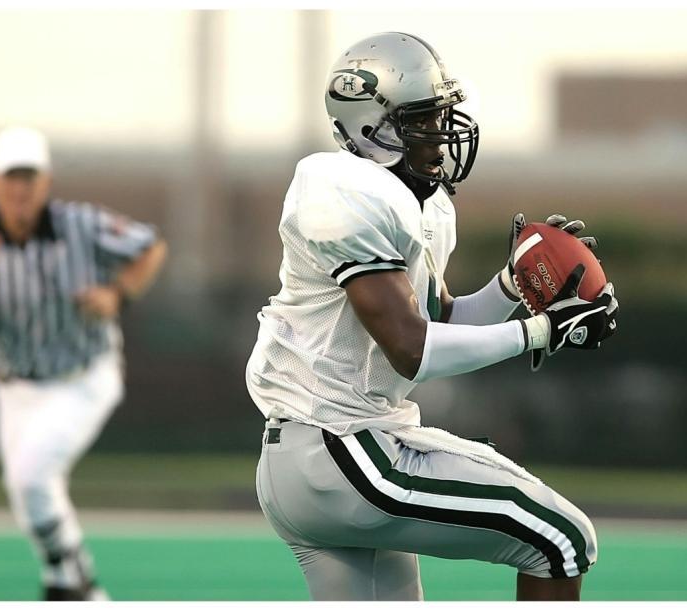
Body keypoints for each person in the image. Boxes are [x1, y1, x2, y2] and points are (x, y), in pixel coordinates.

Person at [246, 32, 618, 601]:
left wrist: (512, 287)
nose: (442, 134)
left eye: (443, 115)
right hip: (343, 449)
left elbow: (441, 325)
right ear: (372, 128)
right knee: (559, 539)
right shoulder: (344, 189)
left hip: (319, 456)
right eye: (423, 119)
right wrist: (540, 331)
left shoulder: (422, 205)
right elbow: (412, 349)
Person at [0, 126, 168, 600]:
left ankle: (73, 580)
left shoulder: (80, 224)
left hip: (84, 375)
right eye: (11, 177)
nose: (20, 188)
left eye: (29, 177)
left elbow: (151, 247)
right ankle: (70, 582)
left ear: (46, 182)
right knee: (28, 497)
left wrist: (116, 294)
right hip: (14, 385)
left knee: (31, 476)